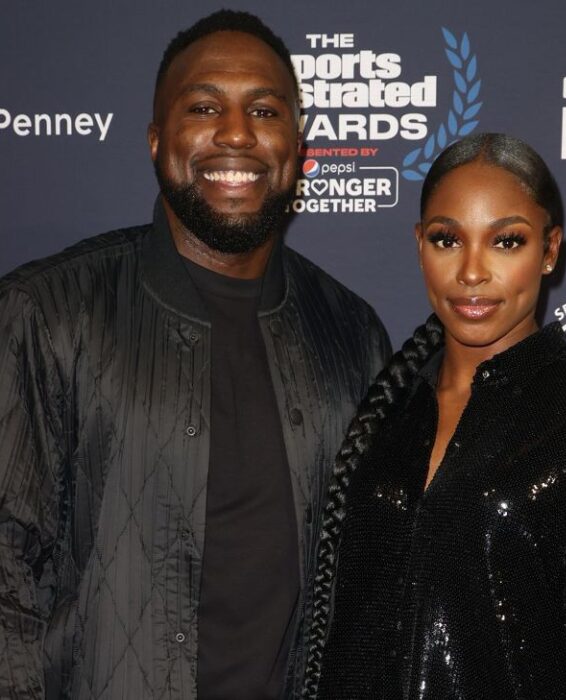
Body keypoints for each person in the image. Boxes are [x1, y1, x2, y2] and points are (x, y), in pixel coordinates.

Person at [0, 10, 390, 700]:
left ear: (298, 146)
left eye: (264, 111)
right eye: (205, 107)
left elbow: (368, 583)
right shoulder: (47, 311)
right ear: (157, 140)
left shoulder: (351, 332)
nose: (236, 132)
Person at [302, 133, 566, 700]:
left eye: (506, 241)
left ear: (549, 250)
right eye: (447, 239)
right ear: (420, 246)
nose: (472, 271)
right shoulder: (388, 409)